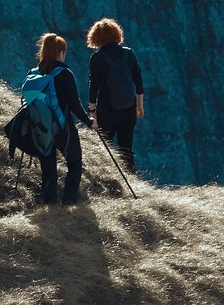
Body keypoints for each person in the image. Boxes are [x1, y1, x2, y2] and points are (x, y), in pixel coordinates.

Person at [27, 33, 93, 206]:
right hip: (64, 129)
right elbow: (75, 105)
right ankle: (69, 201)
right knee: (75, 164)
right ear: (60, 53)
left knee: (48, 169)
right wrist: (90, 122)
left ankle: (50, 204)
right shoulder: (65, 74)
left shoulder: (33, 74)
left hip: (40, 129)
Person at [85, 18, 144, 175]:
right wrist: (139, 105)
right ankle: (132, 178)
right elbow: (138, 79)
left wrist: (92, 111)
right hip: (128, 109)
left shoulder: (97, 58)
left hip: (107, 111)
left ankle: (112, 181)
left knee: (107, 150)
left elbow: (94, 86)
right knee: (126, 149)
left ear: (96, 37)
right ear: (116, 33)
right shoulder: (128, 53)